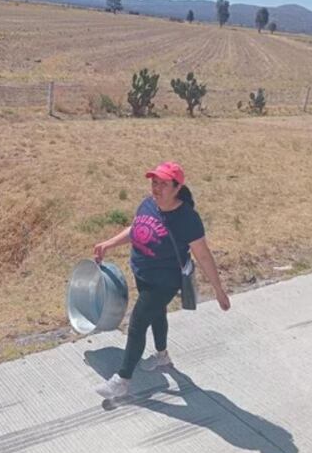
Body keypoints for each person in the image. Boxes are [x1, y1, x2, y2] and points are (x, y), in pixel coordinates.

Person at [91, 161, 231, 400]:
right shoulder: (148, 204)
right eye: (154, 182)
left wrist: (218, 290)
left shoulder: (187, 219)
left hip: (165, 281)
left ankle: (122, 380)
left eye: (163, 184)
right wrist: (108, 244)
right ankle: (162, 355)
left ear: (177, 188)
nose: (156, 188)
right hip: (142, 272)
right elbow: (136, 228)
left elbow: (203, 255)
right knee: (157, 314)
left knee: (137, 324)